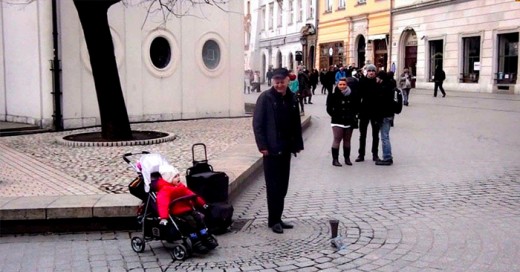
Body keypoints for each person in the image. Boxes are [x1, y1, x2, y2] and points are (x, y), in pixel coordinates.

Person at [252, 68, 304, 234]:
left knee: (283, 186)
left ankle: (278, 217)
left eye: (282, 82)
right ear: (273, 82)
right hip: (272, 149)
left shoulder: (291, 97)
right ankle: (273, 220)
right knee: (273, 186)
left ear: (287, 81)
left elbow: (296, 122)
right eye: (277, 82)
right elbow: (257, 124)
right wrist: (263, 146)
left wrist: (297, 144)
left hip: (286, 148)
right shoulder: (265, 98)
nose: (280, 85)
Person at [155, 164, 218, 253]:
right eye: (175, 177)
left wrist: (202, 203)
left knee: (198, 218)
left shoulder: (181, 187)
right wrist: (164, 217)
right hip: (177, 212)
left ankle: (205, 236)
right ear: (169, 179)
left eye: (178, 176)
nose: (178, 178)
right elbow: (162, 204)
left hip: (188, 209)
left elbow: (192, 195)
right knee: (190, 222)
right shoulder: (165, 191)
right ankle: (195, 240)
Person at [326, 77, 360, 167]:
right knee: (337, 139)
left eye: (344, 84)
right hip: (337, 120)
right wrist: (335, 115)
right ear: (337, 85)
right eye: (340, 84)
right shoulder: (333, 95)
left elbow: (357, 106)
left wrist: (353, 114)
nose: (342, 86)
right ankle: (335, 159)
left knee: (347, 140)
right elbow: (328, 108)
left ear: (347, 85)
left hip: (349, 120)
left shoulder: (352, 95)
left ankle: (347, 158)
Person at [356, 64, 382, 163]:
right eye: (369, 70)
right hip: (364, 112)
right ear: (367, 72)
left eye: (373, 71)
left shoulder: (378, 82)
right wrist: (357, 111)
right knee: (362, 135)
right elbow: (358, 97)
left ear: (375, 72)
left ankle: (375, 154)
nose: (371, 72)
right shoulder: (361, 82)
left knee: (375, 135)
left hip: (375, 112)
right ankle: (361, 154)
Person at [375, 71, 396, 166]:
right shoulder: (390, 85)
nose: (376, 79)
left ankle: (387, 157)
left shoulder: (383, 88)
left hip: (384, 115)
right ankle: (387, 156)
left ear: (381, 78)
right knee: (385, 136)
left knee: (384, 137)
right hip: (389, 115)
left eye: (377, 78)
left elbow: (381, 104)